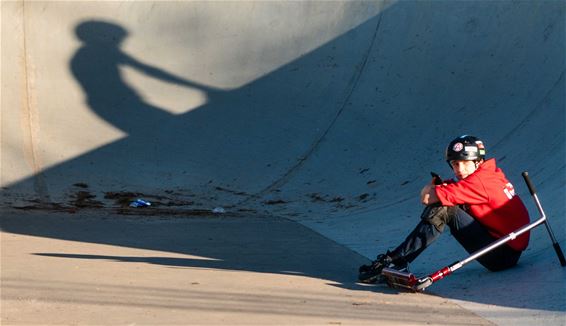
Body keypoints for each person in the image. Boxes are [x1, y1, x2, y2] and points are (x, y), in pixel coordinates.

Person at [358, 135, 531, 283]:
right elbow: (456, 190)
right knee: (450, 202)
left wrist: (430, 186)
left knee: (444, 209)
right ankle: (398, 260)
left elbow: (426, 197)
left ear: (478, 162)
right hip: (507, 247)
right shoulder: (490, 173)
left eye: (465, 163)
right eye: (455, 164)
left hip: (501, 255)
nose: (459, 170)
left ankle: (396, 261)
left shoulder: (478, 182)